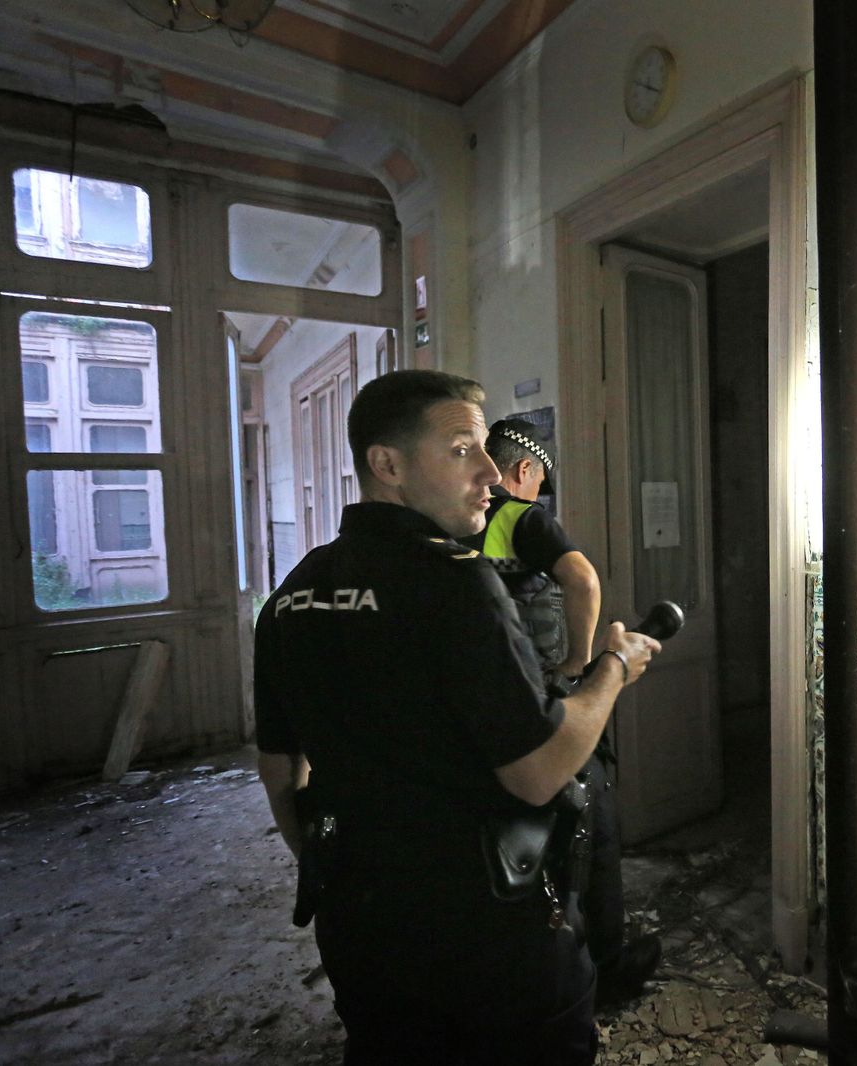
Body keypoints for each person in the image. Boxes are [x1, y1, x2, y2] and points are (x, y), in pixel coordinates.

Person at [254, 370, 660, 1064]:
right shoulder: (453, 581)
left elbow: (278, 769)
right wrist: (611, 671)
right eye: (463, 450)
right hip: (489, 935)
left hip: (360, 925)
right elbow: (537, 773)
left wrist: (339, 867)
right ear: (387, 464)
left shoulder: (294, 592)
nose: (492, 475)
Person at [464, 418, 662, 1007]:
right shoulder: (518, 515)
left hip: (487, 712)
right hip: (547, 704)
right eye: (540, 479)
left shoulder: (453, 524)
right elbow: (581, 579)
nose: (539, 490)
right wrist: (580, 662)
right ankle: (607, 968)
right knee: (593, 828)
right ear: (524, 470)